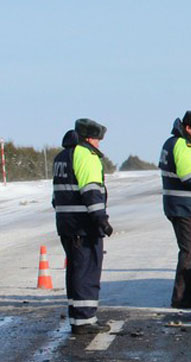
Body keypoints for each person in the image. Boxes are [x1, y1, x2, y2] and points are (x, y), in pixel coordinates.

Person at [52, 119, 113, 334]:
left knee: (75, 271)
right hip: (83, 226)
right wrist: (101, 219)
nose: (99, 144)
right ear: (89, 138)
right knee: (86, 272)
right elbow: (91, 190)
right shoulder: (85, 155)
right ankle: (85, 321)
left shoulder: (62, 156)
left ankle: (78, 318)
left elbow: (55, 197)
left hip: (67, 224)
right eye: (97, 139)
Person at [159, 111, 191, 309]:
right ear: (188, 128)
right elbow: (190, 178)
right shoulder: (182, 145)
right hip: (187, 208)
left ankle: (190, 297)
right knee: (190, 254)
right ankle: (183, 299)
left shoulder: (173, 143)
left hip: (184, 208)